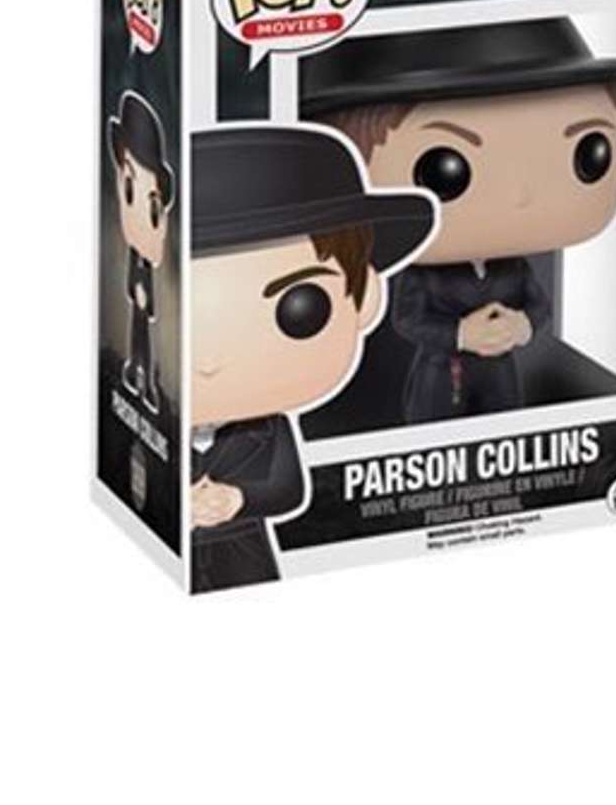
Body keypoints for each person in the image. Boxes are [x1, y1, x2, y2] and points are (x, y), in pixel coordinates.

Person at [301, 18, 616, 423]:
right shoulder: (422, 276)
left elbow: (539, 305)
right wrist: (461, 334)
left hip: (501, 376)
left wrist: (522, 326)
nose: (520, 196)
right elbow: (408, 320)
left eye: (589, 154)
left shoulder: (513, 267)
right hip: (441, 380)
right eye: (443, 171)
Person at [188, 125, 437, 592]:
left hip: (244, 558)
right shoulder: (150, 414)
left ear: (364, 299)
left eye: (299, 310)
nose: (209, 361)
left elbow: (289, 489)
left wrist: (238, 499)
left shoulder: (269, 429)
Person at [106, 91, 174, 412]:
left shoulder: (147, 252)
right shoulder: (135, 252)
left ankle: (145, 379)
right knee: (137, 335)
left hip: (144, 298)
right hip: (139, 297)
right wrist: (137, 291)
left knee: (142, 336)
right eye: (130, 189)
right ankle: (138, 373)